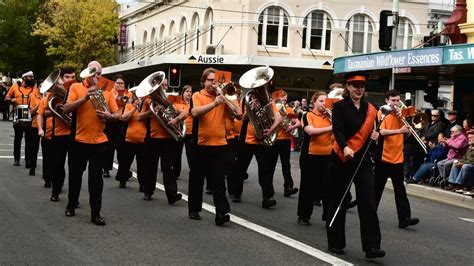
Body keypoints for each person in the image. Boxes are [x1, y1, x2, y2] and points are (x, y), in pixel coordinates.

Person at [326, 72, 385, 258]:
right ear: (348, 87)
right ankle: (336, 242)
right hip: (342, 158)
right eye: (355, 85)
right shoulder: (340, 107)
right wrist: (344, 147)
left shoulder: (372, 109)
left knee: (368, 201)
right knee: (339, 200)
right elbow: (338, 129)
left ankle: (372, 246)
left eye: (362, 86)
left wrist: (376, 137)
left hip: (364, 161)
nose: (359, 89)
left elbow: (374, 133)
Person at [63, 61, 119, 226]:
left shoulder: (107, 93)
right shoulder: (75, 88)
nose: (96, 76)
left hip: (99, 141)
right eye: (93, 73)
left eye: (99, 74)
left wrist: (110, 116)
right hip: (78, 140)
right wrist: (86, 97)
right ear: (87, 73)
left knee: (96, 180)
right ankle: (71, 204)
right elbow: (66, 108)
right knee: (75, 176)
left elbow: (117, 114)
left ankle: (96, 213)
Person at [188, 68, 241, 225]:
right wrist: (214, 103)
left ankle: (221, 212)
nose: (213, 83)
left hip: (220, 144)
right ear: (204, 81)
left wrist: (223, 96)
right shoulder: (197, 95)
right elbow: (195, 112)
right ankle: (194, 209)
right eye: (210, 80)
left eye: (215, 80)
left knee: (218, 180)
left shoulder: (223, 96)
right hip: (201, 143)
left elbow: (238, 113)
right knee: (197, 179)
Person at [232, 70, 282, 208]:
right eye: (258, 87)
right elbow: (242, 118)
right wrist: (249, 110)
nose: (260, 89)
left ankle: (268, 197)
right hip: (247, 140)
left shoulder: (269, 101)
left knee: (265, 170)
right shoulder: (246, 99)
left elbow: (278, 117)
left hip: (262, 140)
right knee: (240, 168)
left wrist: (271, 129)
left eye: (262, 86)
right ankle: (236, 193)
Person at [374, 90, 419, 229]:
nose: (396, 103)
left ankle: (404, 218)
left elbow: (408, 136)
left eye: (398, 100)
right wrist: (400, 131)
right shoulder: (382, 112)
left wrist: (408, 127)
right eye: (393, 100)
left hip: (397, 157)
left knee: (400, 190)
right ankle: (370, 214)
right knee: (377, 189)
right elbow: (381, 132)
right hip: (383, 156)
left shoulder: (401, 114)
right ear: (387, 100)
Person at [138, 77, 185, 204]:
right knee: (150, 167)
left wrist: (176, 120)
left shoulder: (168, 100)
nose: (161, 88)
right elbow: (139, 117)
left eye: (162, 86)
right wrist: (151, 113)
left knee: (168, 168)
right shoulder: (147, 101)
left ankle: (172, 195)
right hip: (152, 139)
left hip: (168, 139)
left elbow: (183, 113)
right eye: (159, 86)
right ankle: (148, 191)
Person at [297, 91, 333, 226]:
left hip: (328, 156)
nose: (324, 104)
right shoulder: (308, 115)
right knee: (308, 187)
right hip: (310, 156)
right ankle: (303, 215)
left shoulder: (330, 117)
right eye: (321, 101)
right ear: (314, 102)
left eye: (326, 101)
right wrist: (331, 127)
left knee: (328, 188)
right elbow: (310, 131)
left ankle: (328, 217)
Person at [49, 67, 76, 202]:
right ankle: (56, 191)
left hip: (75, 134)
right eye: (67, 77)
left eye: (73, 77)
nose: (70, 79)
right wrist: (59, 108)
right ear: (61, 79)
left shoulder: (78, 91)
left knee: (74, 168)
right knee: (57, 165)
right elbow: (46, 111)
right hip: (59, 134)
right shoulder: (53, 95)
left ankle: (73, 197)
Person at [5, 71, 41, 167]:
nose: (32, 78)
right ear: (24, 77)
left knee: (29, 139)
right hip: (18, 113)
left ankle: (28, 159)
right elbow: (6, 98)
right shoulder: (15, 86)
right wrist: (12, 100)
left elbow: (39, 99)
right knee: (18, 138)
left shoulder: (35, 88)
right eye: (30, 77)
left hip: (30, 113)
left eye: (32, 77)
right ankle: (17, 158)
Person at [270, 89, 300, 197]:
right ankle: (269, 190)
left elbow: (298, 123)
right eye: (282, 98)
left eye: (285, 99)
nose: (284, 100)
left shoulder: (288, 109)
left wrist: (291, 127)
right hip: (274, 139)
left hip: (285, 140)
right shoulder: (272, 108)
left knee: (286, 165)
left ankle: (288, 187)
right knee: (271, 165)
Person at [115, 86, 146, 189]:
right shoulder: (129, 105)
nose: (138, 98)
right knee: (125, 162)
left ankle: (143, 185)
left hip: (143, 140)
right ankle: (122, 180)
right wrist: (134, 108)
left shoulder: (146, 105)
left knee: (142, 165)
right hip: (129, 139)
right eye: (137, 95)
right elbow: (123, 118)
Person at [103, 75, 128, 178]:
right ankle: (106, 169)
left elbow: (130, 104)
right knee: (109, 147)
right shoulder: (109, 93)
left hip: (122, 121)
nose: (120, 85)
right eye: (118, 83)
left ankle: (122, 172)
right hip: (111, 121)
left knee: (122, 149)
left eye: (122, 83)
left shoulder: (128, 93)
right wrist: (116, 98)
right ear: (114, 84)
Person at [171, 85, 193, 180]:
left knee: (191, 154)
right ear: (182, 93)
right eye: (186, 91)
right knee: (176, 154)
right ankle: (175, 173)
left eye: (190, 91)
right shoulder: (177, 104)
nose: (189, 93)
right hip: (179, 132)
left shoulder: (193, 104)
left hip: (190, 133)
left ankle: (194, 171)